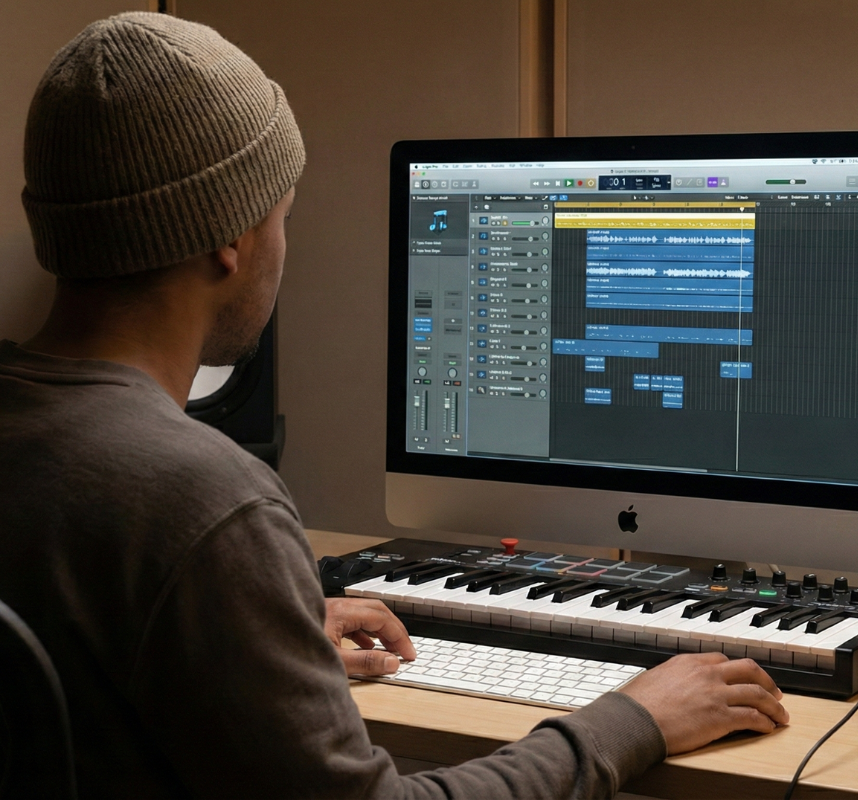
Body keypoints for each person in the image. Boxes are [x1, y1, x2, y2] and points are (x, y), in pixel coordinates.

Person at [0, 11, 789, 798]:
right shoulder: (205, 503)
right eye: (283, 213)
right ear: (229, 238)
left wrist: (259, 641)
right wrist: (629, 719)